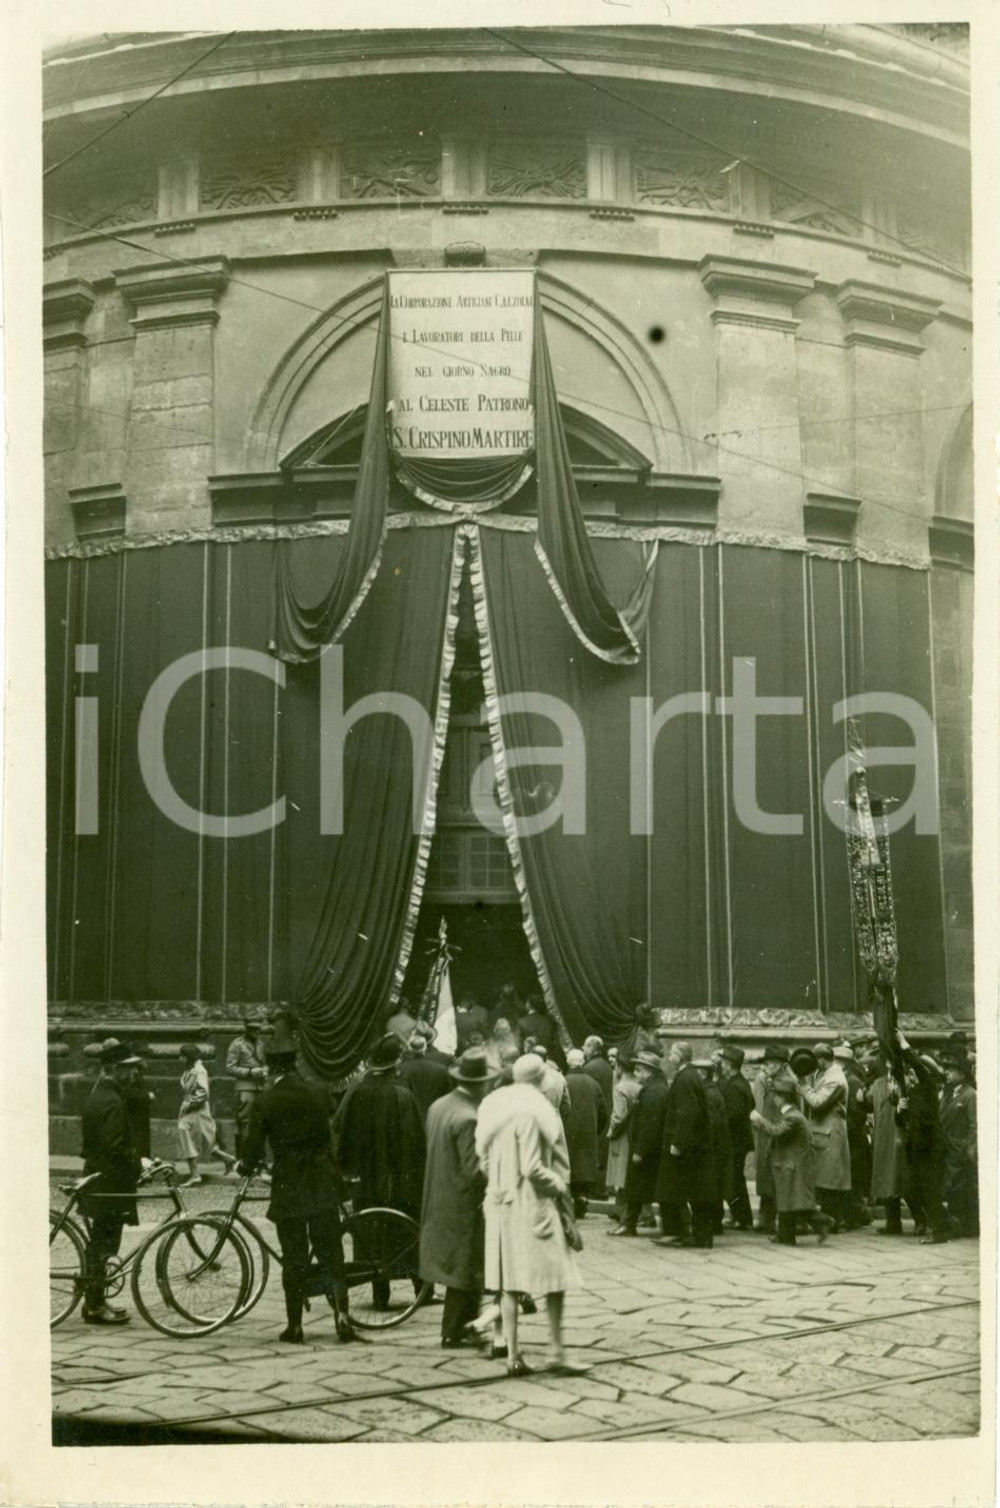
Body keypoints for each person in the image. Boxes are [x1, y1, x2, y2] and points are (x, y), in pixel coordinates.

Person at [238, 1018, 355, 1344]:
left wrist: (246, 1165)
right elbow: (330, 1129)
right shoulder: (318, 1091)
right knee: (332, 1253)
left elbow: (252, 1147)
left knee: (294, 1256)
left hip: (289, 1183)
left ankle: (295, 1326)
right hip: (322, 1180)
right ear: (293, 1062)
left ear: (271, 1066)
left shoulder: (266, 1100)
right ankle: (343, 1319)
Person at [475, 1054, 584, 1376]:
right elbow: (532, 1167)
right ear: (540, 1081)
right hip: (532, 1205)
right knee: (555, 1278)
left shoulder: (494, 1107)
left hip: (499, 1203)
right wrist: (559, 1186)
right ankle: (557, 1351)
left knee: (508, 1283)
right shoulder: (534, 1111)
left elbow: (483, 1162)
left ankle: (513, 1355)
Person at [418, 1047, 497, 1348]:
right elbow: (473, 1171)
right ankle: (454, 1330)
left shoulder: (438, 1106)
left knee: (460, 1264)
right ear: (481, 1083)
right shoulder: (469, 1117)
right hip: (462, 1202)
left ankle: (464, 1326)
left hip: (437, 1193)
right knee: (465, 1264)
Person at [79, 1039, 143, 1325]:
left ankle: (95, 1300)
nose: (135, 1073)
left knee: (99, 1242)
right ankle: (94, 1305)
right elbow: (114, 1146)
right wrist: (139, 1163)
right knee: (104, 1245)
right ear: (116, 1069)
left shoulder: (98, 1094)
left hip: (98, 1178)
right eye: (130, 1068)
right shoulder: (114, 1101)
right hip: (110, 1185)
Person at [332, 1033, 426, 1219]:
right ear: (396, 1065)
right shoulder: (403, 1096)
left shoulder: (359, 1092)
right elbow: (416, 1143)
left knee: (367, 1224)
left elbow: (343, 1130)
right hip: (396, 1183)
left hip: (365, 1181)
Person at [750, 1074, 834, 1247]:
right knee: (789, 1202)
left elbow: (775, 1131)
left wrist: (758, 1119)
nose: (774, 1098)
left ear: (784, 1097)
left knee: (791, 1202)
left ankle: (820, 1223)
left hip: (792, 1167)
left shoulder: (792, 1117)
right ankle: (786, 1235)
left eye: (777, 1095)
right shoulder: (790, 1114)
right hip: (789, 1165)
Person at [655, 1042, 713, 1249]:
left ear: (679, 1055)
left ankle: (689, 1235)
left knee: (683, 1190)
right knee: (694, 1191)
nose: (669, 1056)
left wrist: (678, 1142)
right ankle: (695, 1235)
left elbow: (687, 1112)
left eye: (672, 1053)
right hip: (693, 1145)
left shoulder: (684, 1078)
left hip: (686, 1147)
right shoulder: (691, 1076)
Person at [609, 1049, 668, 1237]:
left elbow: (650, 1124)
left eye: (639, 1071)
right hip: (650, 1149)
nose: (636, 1074)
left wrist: (640, 1149)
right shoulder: (656, 1088)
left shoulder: (652, 1092)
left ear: (649, 1071)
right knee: (641, 1189)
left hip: (645, 1150)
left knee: (636, 1188)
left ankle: (629, 1224)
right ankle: (631, 1223)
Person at [896, 1034, 947, 1244]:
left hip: (930, 1146)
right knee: (912, 1190)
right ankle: (933, 1224)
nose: (912, 1073)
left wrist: (904, 1045)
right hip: (917, 1147)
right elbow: (905, 1121)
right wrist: (900, 1110)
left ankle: (939, 1231)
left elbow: (918, 1066)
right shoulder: (915, 1091)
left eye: (915, 1071)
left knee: (931, 1190)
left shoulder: (928, 1087)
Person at [795, 1041, 851, 1231]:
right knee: (826, 1180)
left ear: (822, 1060)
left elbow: (817, 1101)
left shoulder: (836, 1079)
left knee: (830, 1182)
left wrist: (803, 1085)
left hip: (830, 1135)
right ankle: (832, 1221)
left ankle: (833, 1222)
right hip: (823, 1134)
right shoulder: (825, 1073)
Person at [176, 1043, 236, 1186]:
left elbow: (203, 1092)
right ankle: (228, 1159)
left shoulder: (199, 1070)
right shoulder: (190, 1069)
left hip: (197, 1110)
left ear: (188, 1057)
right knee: (197, 1139)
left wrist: (190, 1103)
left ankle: (195, 1175)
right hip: (191, 1111)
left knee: (197, 1139)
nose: (180, 1059)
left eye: (182, 1056)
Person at [867, 1049, 911, 1234]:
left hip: (898, 1134)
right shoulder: (878, 1083)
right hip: (882, 1135)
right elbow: (868, 1100)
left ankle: (919, 1219)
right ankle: (893, 1221)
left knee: (899, 1176)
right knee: (885, 1176)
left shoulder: (906, 1082)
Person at [563, 1048, 609, 1217]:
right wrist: (596, 1130)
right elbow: (604, 1113)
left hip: (567, 1133)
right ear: (583, 1062)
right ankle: (581, 1200)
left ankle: (571, 1203)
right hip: (588, 1135)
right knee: (584, 1169)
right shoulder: (593, 1083)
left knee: (569, 1167)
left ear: (568, 1062)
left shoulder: (564, 1081)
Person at [939, 1049, 978, 1237]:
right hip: (948, 1149)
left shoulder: (970, 1095)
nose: (946, 1072)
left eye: (951, 1070)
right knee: (951, 1187)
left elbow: (974, 1124)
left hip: (960, 1149)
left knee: (961, 1188)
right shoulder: (947, 1094)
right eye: (946, 1069)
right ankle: (957, 1224)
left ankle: (964, 1225)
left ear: (962, 1074)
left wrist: (970, 1148)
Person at [753, 1045, 791, 1233]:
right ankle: (766, 1217)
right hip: (766, 1134)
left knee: (776, 1179)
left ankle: (778, 1221)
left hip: (776, 1135)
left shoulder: (786, 1084)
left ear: (782, 1065)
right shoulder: (772, 1081)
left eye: (772, 1063)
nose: (767, 1066)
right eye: (767, 1063)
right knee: (767, 1177)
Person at [717, 1044, 754, 1230]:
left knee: (734, 1180)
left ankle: (742, 1217)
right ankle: (741, 1216)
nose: (721, 1065)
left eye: (723, 1062)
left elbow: (734, 1115)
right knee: (735, 1179)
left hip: (735, 1141)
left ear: (730, 1064)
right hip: (738, 1140)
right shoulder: (739, 1082)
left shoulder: (735, 1086)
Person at [226, 1013, 269, 1161]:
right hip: (245, 1087)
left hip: (260, 1087)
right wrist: (249, 1072)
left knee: (260, 1122)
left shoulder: (261, 1044)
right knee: (245, 1123)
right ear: (246, 1028)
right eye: (253, 1029)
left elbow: (265, 1062)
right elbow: (230, 1068)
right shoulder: (237, 1045)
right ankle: (243, 1159)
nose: (257, 1031)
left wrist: (265, 1070)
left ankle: (260, 1159)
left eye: (258, 1029)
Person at [697, 1058, 733, 1236]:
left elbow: (711, 1123)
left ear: (703, 1073)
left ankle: (713, 1223)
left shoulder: (707, 1094)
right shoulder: (713, 1090)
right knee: (715, 1185)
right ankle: (715, 1222)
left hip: (712, 1148)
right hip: (718, 1147)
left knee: (711, 1186)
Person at [837, 1044, 872, 1229]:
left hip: (853, 1137)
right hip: (849, 1135)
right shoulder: (844, 1079)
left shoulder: (852, 1081)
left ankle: (857, 1216)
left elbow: (858, 1113)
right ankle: (854, 1215)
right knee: (849, 1177)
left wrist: (846, 1128)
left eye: (838, 1060)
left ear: (845, 1063)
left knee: (853, 1178)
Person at [605, 1052, 641, 1222]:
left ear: (620, 1067)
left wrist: (611, 1130)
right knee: (630, 1172)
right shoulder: (640, 1085)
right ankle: (622, 1208)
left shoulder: (620, 1087)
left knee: (620, 1172)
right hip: (635, 1132)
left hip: (622, 1134)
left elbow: (618, 1115)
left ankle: (622, 1210)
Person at [400, 1029, 452, 1121]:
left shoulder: (402, 1069)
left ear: (409, 1048)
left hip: (411, 1118)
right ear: (424, 1048)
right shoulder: (441, 1068)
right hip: (436, 1116)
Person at [518, 994, 564, 1068]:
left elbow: (520, 1046)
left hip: (531, 1062)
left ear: (528, 1005)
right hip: (549, 1060)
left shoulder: (521, 1022)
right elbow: (555, 1044)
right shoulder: (548, 1021)